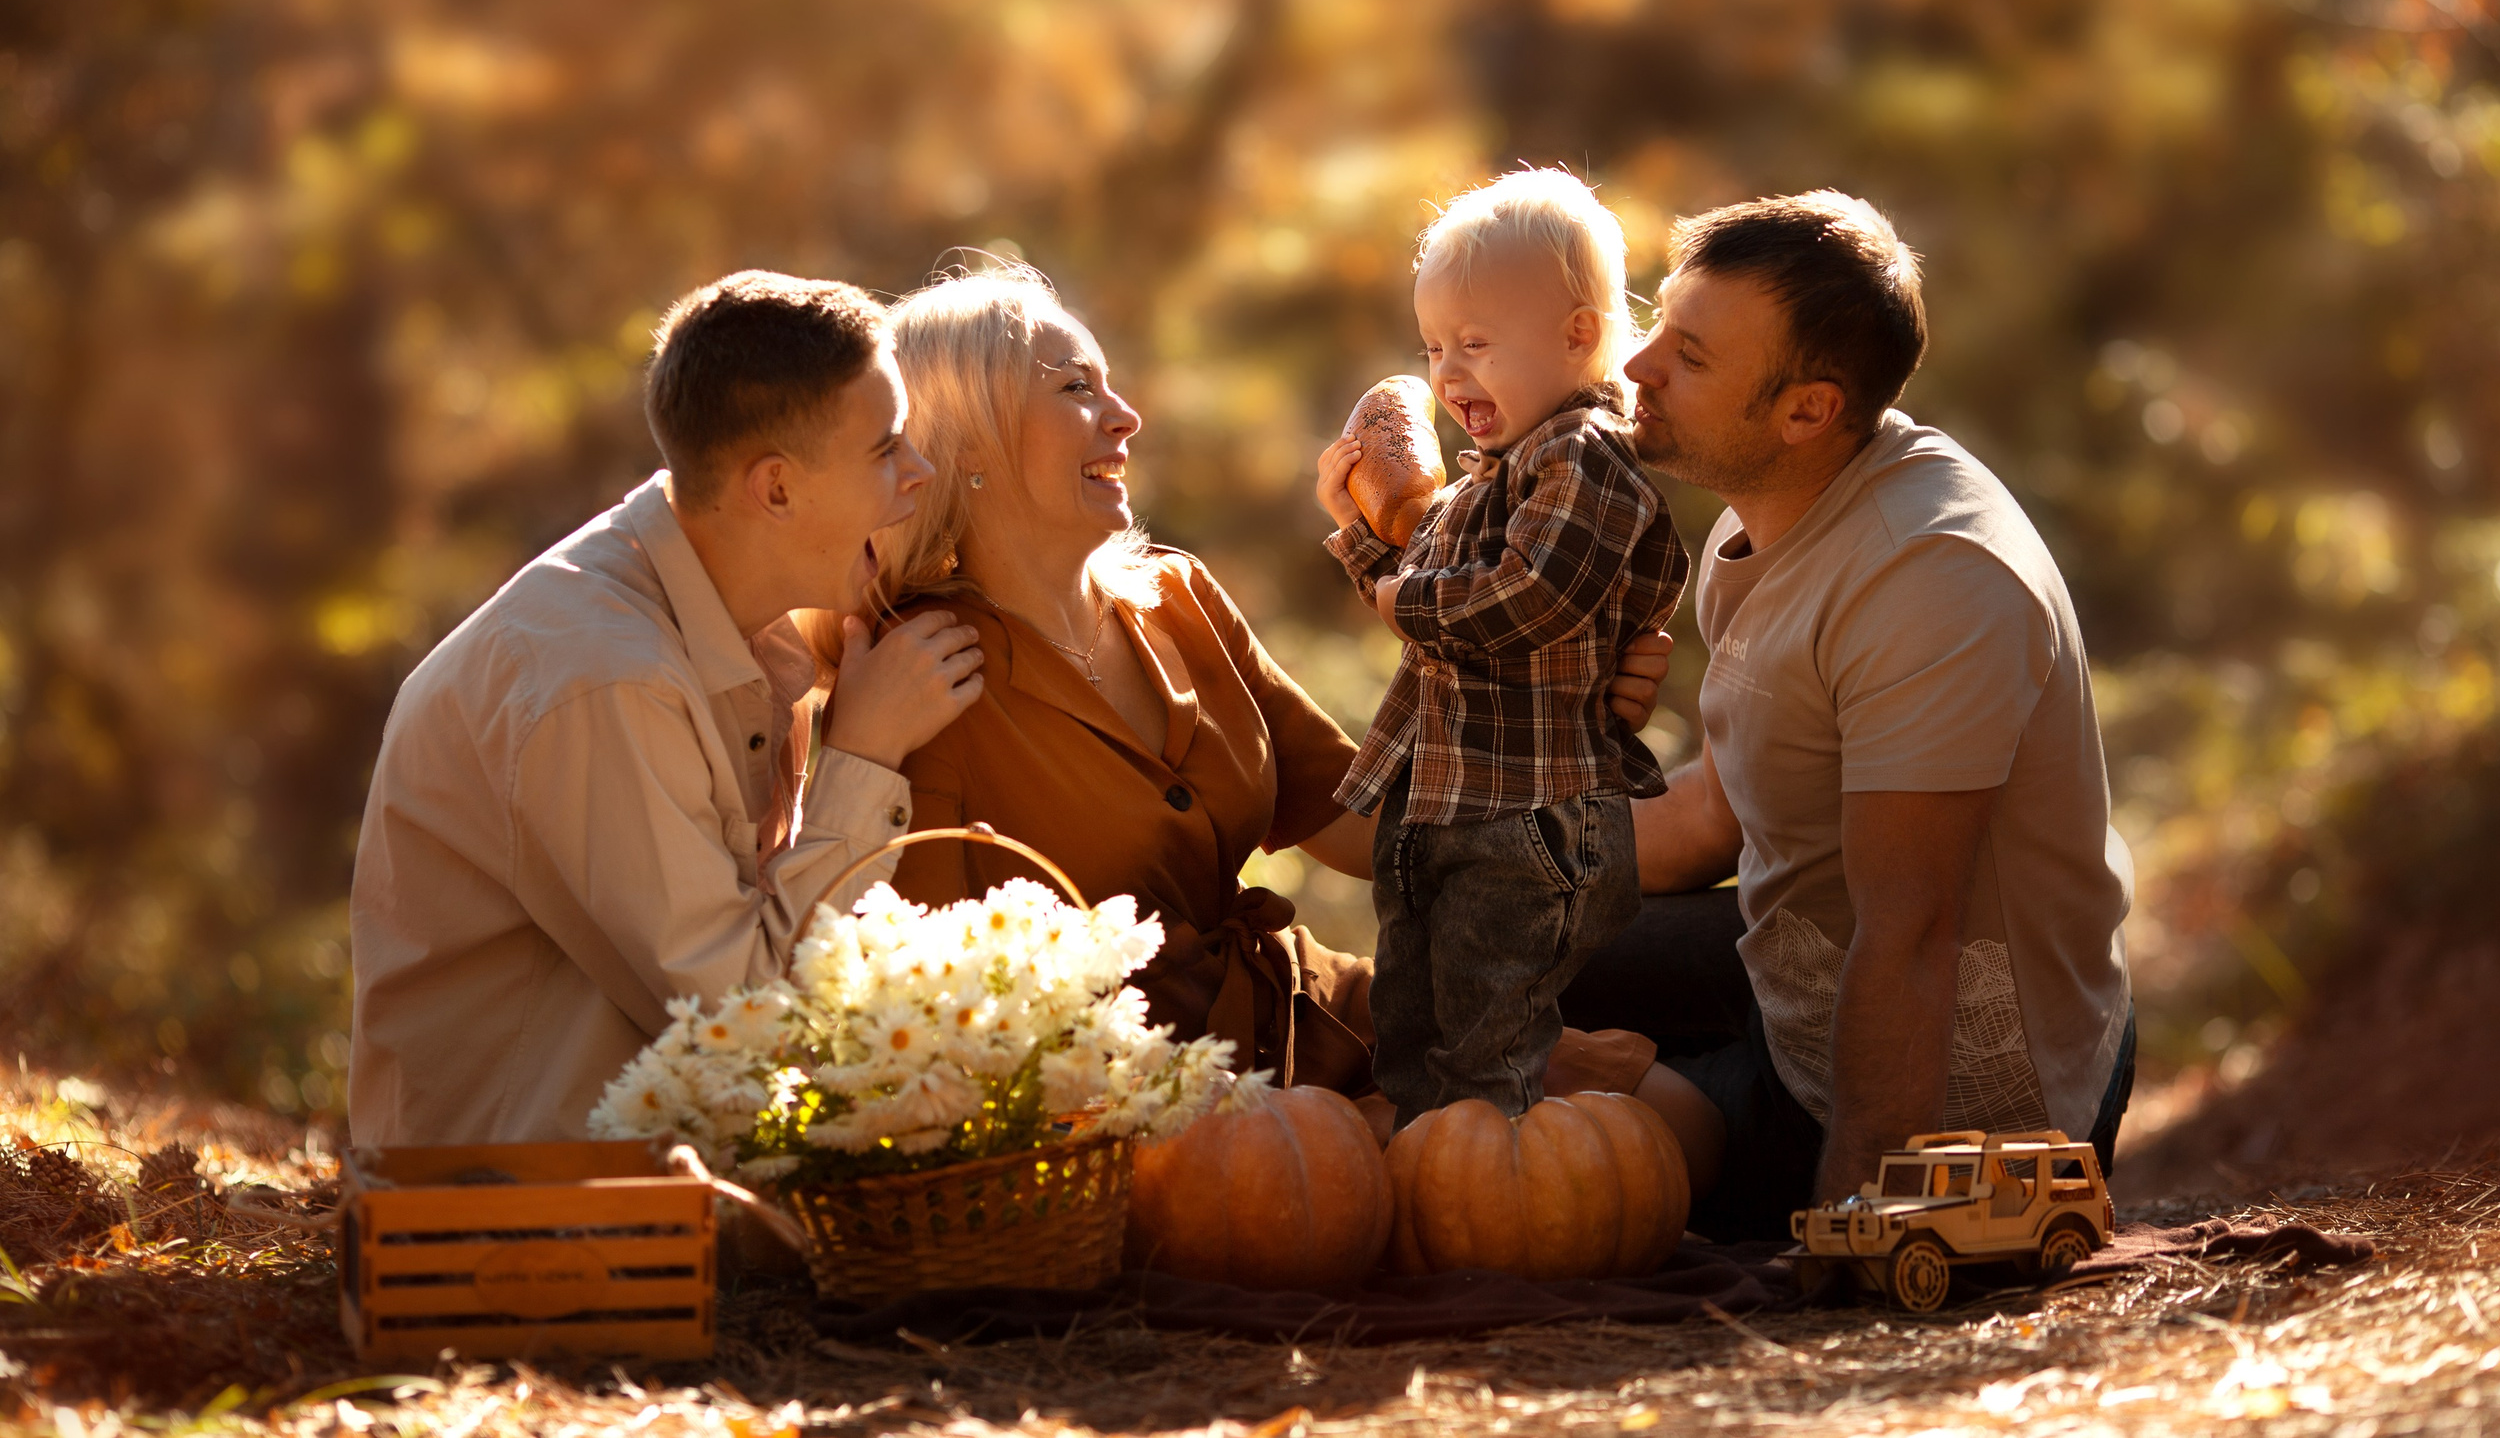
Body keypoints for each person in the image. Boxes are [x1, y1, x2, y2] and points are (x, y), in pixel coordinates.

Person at [860, 263, 1711, 1162]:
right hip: (1130, 1090)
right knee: (1440, 1171)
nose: (1125, 417)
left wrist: (1562, 709)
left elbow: (1367, 823)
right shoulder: (921, 668)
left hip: (1301, 1011)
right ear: (966, 441)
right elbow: (929, 990)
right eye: (1075, 388)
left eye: (1110, 383)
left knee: (1676, 1118)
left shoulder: (1176, 598)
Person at [1572, 191, 2136, 1242]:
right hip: (1802, 960)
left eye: (1688, 359)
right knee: (1495, 948)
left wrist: (1842, 1223)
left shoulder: (1931, 580)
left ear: (1807, 410)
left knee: (1564, 1110)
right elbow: (1708, 816)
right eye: (1659, 327)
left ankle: (1685, 1106)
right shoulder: (1774, 515)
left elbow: (1912, 930)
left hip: (1965, 1078)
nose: (1636, 366)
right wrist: (1481, 849)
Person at [348, 273, 988, 1145]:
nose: (918, 474)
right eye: (885, 450)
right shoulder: (605, 682)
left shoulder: (737, 624)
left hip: (660, 1180)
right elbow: (747, 1028)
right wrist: (865, 758)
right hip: (525, 1213)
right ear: (774, 490)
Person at [1314, 171, 1690, 1126]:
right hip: (1439, 807)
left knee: (1488, 1033)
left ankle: (1494, 1201)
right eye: (1434, 346)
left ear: (1577, 333)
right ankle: (1433, 1178)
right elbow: (1420, 580)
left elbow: (1528, 598)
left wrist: (1399, 593)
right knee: (1409, 1022)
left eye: (1475, 344)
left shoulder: (1586, 457)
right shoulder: (1485, 480)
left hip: (1528, 819)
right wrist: (1359, 535)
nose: (1446, 375)